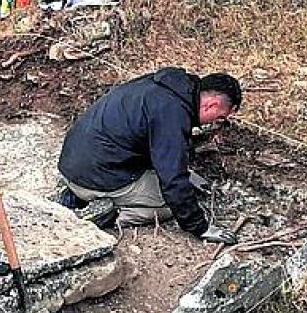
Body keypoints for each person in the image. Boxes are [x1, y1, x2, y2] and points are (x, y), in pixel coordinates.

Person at [56, 67, 242, 243]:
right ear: (212, 104)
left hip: (74, 163)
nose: (219, 123)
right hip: (96, 175)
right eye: (221, 118)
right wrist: (200, 228)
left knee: (180, 186)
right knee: (170, 205)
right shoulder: (172, 113)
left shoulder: (167, 87)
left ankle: (77, 195)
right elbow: (173, 181)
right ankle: (106, 214)